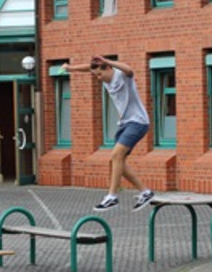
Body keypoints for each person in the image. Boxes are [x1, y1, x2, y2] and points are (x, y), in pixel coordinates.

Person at [63, 56, 153, 212]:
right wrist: (71, 68)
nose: (99, 79)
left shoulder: (123, 76)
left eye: (100, 75)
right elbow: (88, 67)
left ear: (108, 68)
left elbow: (129, 69)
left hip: (138, 122)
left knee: (116, 155)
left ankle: (112, 196)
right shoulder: (103, 77)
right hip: (125, 123)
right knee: (118, 162)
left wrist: (108, 61)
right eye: (96, 76)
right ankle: (145, 192)